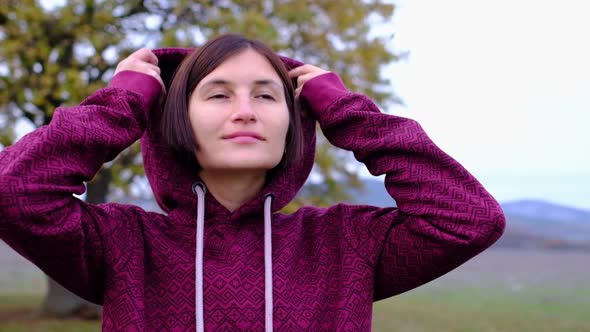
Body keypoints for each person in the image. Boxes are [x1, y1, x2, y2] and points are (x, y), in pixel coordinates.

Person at [0, 34, 505, 331]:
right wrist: (124, 101)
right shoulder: (124, 245)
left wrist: (348, 113)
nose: (245, 111)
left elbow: (469, 218)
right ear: (176, 118)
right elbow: (14, 192)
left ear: (296, 122)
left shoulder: (345, 246)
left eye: (266, 96)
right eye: (218, 95)